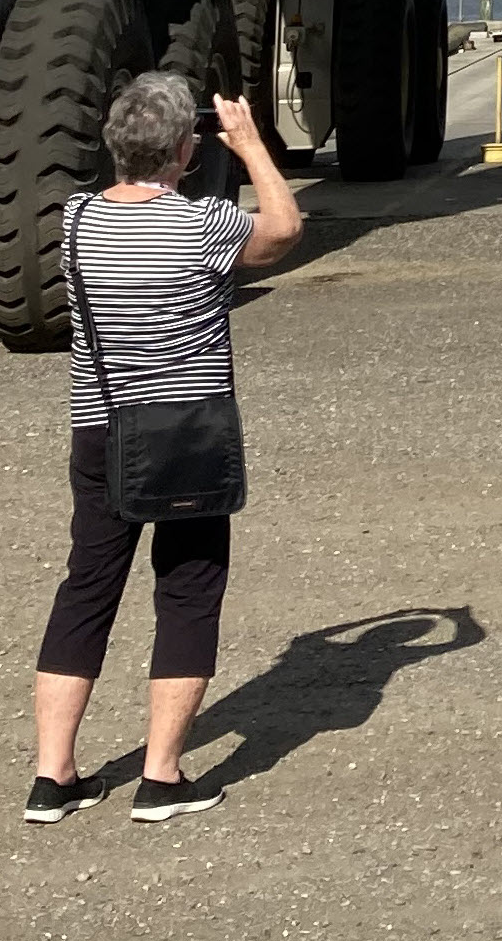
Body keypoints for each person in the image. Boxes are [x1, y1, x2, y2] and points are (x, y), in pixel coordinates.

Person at [28, 66, 302, 825]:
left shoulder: (77, 220)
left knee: (87, 588)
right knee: (187, 589)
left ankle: (52, 776)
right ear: (186, 149)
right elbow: (283, 230)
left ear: (115, 146)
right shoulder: (205, 224)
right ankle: (161, 774)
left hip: (102, 427)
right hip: (187, 435)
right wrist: (249, 144)